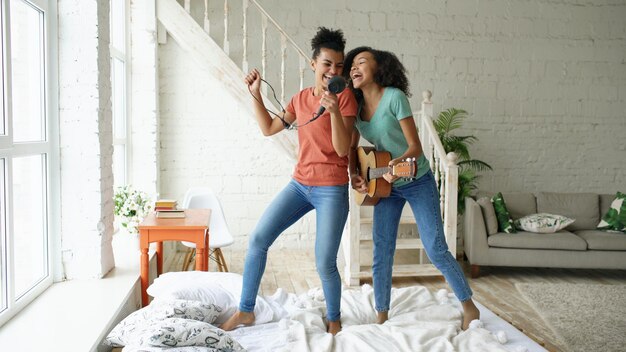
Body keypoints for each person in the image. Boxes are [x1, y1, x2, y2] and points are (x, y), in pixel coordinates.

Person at [220, 28, 357, 335]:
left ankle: (334, 320)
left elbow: (340, 148)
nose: (332, 71)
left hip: (331, 189)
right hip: (300, 185)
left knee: (325, 263)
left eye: (338, 66)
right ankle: (245, 312)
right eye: (326, 64)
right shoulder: (299, 99)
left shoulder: (345, 98)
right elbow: (269, 128)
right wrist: (255, 95)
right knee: (257, 240)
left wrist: (334, 111)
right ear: (313, 64)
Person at [343, 46, 480, 330]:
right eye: (352, 65)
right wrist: (355, 175)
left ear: (378, 68)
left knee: (436, 248)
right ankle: (382, 314)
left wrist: (396, 164)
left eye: (362, 62)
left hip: (416, 179)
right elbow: (350, 149)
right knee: (382, 250)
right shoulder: (355, 109)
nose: (354, 67)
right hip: (384, 186)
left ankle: (469, 306)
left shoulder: (394, 98)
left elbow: (415, 147)